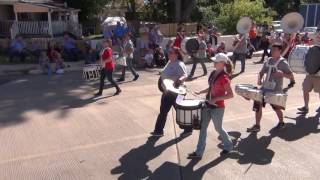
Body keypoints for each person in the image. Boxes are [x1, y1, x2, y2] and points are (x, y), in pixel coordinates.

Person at [187, 53, 235, 159]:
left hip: (218, 107)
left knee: (218, 128)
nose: (214, 63)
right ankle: (198, 152)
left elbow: (231, 95)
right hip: (208, 104)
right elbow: (211, 87)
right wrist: (201, 91)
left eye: (216, 61)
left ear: (222, 63)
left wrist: (215, 99)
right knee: (202, 128)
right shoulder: (213, 73)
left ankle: (229, 145)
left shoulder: (224, 77)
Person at [247, 42, 295, 133]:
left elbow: (291, 76)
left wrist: (282, 74)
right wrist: (259, 79)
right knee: (258, 105)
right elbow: (261, 72)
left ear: (280, 51)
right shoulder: (268, 60)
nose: (272, 51)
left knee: (276, 108)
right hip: (264, 88)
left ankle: (281, 123)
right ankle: (257, 125)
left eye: (274, 50)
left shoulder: (283, 62)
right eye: (271, 49)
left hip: (275, 89)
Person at [151, 47, 191, 137]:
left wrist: (179, 80)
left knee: (181, 111)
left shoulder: (179, 64)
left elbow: (185, 75)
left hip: (178, 92)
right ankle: (158, 131)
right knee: (163, 112)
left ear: (176, 54)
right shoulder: (169, 62)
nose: (169, 54)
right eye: (168, 52)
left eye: (171, 52)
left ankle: (188, 129)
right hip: (168, 92)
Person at [298, 30, 320, 113]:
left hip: (319, 74)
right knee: (305, 89)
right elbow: (307, 36)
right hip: (311, 70)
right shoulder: (316, 35)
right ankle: (306, 107)